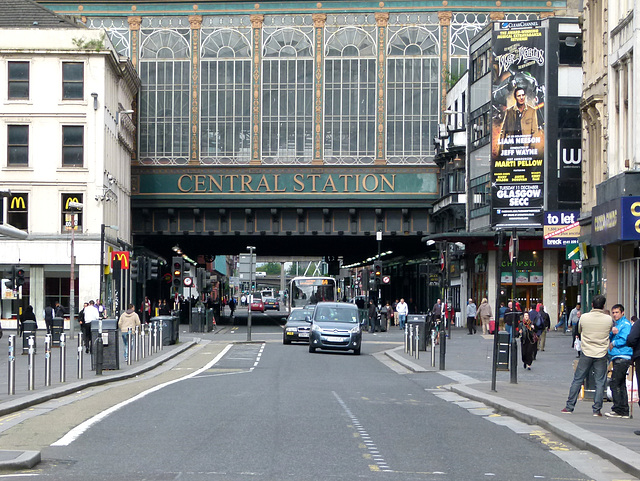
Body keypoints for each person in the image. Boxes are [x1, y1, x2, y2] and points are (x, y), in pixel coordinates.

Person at [561, 295, 613, 416]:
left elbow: (579, 330)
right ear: (603, 306)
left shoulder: (584, 317)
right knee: (600, 382)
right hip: (601, 353)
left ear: (592, 305)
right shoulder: (608, 319)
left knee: (578, 379)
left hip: (587, 351)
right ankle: (597, 409)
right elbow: (610, 331)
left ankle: (569, 407)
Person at [605, 304, 632, 418]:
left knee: (615, 382)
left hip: (623, 355)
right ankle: (624, 409)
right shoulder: (617, 324)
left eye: (617, 312)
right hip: (617, 356)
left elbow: (625, 339)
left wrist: (614, 343)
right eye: (613, 312)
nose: (615, 314)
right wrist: (612, 332)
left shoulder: (625, 324)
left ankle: (618, 409)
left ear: (622, 313)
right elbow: (612, 336)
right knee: (621, 384)